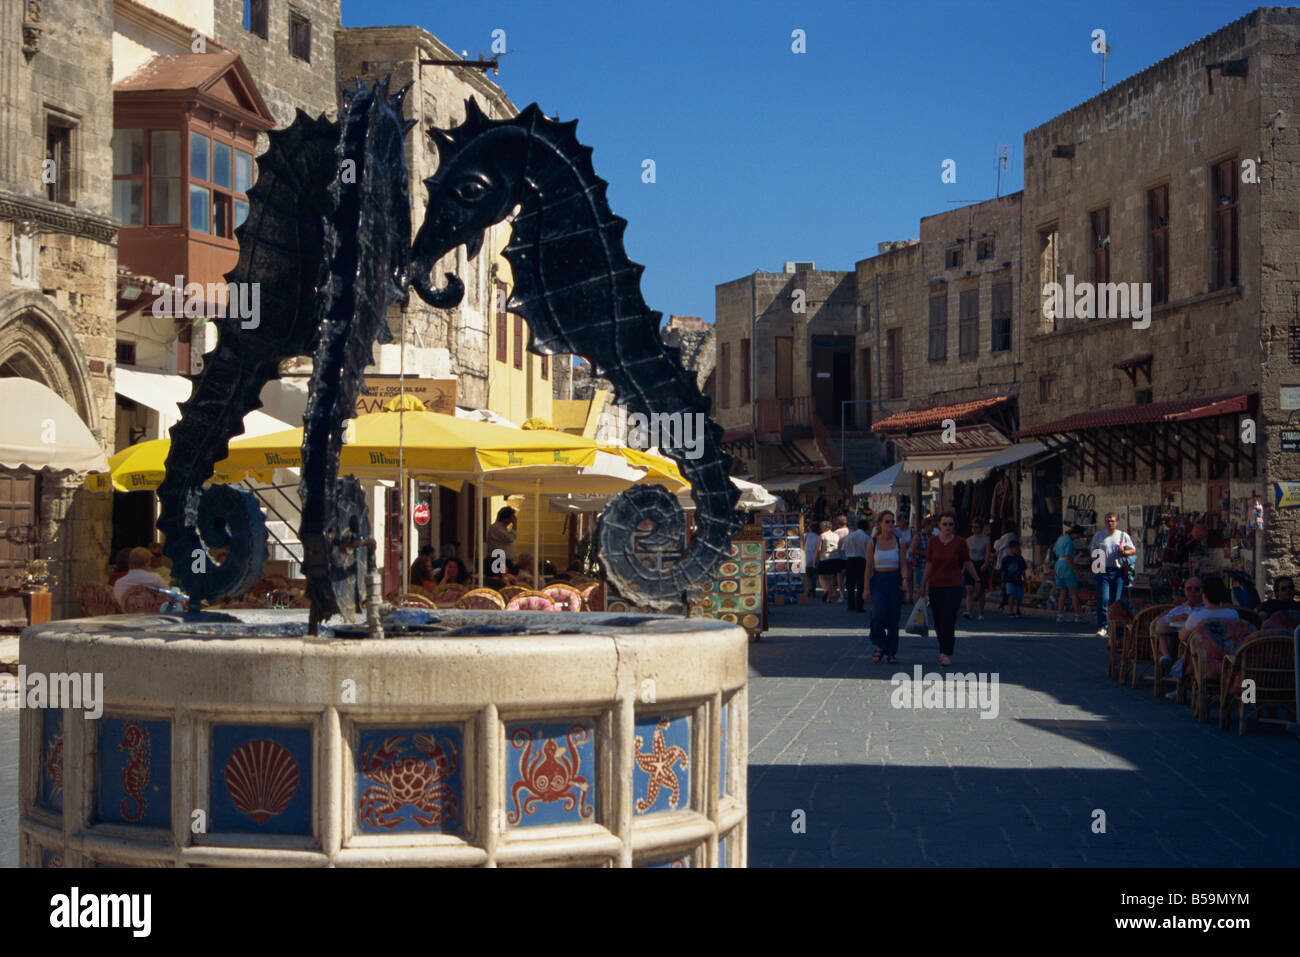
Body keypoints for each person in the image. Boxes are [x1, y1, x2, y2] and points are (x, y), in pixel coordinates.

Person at [920, 512, 979, 667]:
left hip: (954, 584)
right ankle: (942, 648)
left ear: (954, 526)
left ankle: (946, 653)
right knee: (938, 620)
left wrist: (977, 579)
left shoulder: (960, 542)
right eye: (944, 524)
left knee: (948, 617)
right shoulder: (933, 542)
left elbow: (967, 561)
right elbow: (929, 564)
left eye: (950, 524)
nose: (947, 527)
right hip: (935, 585)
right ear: (939, 525)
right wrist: (922, 584)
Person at [1165, 575, 1240, 679]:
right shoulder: (1233, 614)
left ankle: (1185, 686)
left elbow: (1182, 637)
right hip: (1229, 660)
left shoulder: (1197, 615)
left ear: (1203, 595)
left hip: (1203, 661)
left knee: (1188, 654)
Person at [864, 510, 910, 664]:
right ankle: (880, 643)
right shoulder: (873, 543)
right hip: (878, 580)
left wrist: (904, 579)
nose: (891, 524)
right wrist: (865, 588)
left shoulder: (899, 543)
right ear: (880, 524)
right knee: (878, 615)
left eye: (892, 521)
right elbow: (868, 568)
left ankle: (891, 652)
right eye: (887, 521)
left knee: (893, 618)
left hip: (894, 580)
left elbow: (903, 565)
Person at [1089, 512, 1137, 637]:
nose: (1110, 523)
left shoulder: (1122, 535)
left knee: (1116, 601)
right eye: (1108, 521)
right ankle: (1103, 627)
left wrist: (1124, 552)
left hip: (1118, 572)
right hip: (1103, 571)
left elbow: (1133, 550)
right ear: (1105, 522)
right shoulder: (1099, 535)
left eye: (1112, 521)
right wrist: (1095, 561)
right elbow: (1092, 550)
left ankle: (1114, 626)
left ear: (1116, 522)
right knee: (1103, 599)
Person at [1154, 577, 1204, 659]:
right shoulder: (1179, 609)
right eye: (1189, 589)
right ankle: (1167, 659)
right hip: (1175, 639)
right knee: (1164, 632)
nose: (1192, 591)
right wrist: (1174, 618)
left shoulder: (1206, 609)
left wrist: (1192, 620)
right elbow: (1160, 622)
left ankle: (1169, 662)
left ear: (1202, 592)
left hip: (1196, 641)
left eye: (1196, 589)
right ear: (1184, 591)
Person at [1053, 525, 1086, 623]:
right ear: (1075, 534)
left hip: (1058, 565)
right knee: (1073, 593)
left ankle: (1060, 615)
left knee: (1062, 592)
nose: (1078, 538)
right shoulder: (1069, 542)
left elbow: (1054, 550)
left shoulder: (1061, 538)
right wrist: (1077, 571)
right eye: (1079, 536)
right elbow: (1068, 557)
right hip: (1067, 566)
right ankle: (1077, 615)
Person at [964, 518, 991, 620]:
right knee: (969, 588)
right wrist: (964, 567)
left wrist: (985, 563)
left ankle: (981, 613)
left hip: (981, 563)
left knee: (980, 591)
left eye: (976, 527)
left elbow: (988, 553)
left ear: (981, 528)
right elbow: (966, 554)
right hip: (971, 563)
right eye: (972, 527)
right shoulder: (968, 540)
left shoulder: (986, 539)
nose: (974, 529)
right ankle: (968, 611)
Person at [841, 519, 870, 613]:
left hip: (850, 560)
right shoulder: (866, 537)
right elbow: (869, 551)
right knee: (861, 584)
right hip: (862, 560)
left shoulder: (849, 536)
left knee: (850, 584)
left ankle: (850, 605)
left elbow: (843, 549)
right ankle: (860, 606)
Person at [992, 520, 1019, 610]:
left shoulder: (1006, 537)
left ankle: (1005, 599)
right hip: (1012, 562)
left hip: (1004, 561)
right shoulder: (1015, 536)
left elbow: (996, 545)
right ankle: (1007, 599)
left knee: (1004, 581)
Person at [1000, 540, 1028, 617]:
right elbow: (1003, 571)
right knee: (1011, 594)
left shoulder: (1020, 558)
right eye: (1016, 548)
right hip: (1009, 580)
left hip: (1018, 579)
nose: (1017, 550)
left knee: (1019, 596)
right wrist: (1002, 581)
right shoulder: (1005, 559)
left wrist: (1025, 579)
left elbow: (1023, 570)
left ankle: (1018, 608)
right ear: (1011, 548)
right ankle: (1010, 610)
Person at [486, 506, 518, 573]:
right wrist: (514, 525)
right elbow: (510, 538)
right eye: (512, 518)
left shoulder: (503, 528)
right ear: (505, 518)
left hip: (504, 560)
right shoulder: (496, 528)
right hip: (498, 560)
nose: (513, 520)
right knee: (502, 580)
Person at [816, 520, 841, 602]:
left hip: (825, 557)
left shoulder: (822, 535)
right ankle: (829, 596)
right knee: (831, 577)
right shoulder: (836, 535)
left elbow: (819, 549)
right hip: (835, 557)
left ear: (824, 527)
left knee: (821, 576)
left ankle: (826, 590)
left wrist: (815, 558)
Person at [909, 514, 934, 595]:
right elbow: (913, 549)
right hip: (920, 563)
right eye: (932, 526)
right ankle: (920, 603)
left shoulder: (932, 536)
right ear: (926, 525)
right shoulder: (918, 535)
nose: (933, 528)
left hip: (929, 563)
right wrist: (925, 553)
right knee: (920, 584)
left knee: (929, 582)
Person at [833, 515, 851, 601]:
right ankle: (849, 592)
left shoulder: (836, 532)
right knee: (850, 575)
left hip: (839, 555)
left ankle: (841, 594)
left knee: (839, 575)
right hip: (850, 555)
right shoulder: (851, 531)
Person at [803, 524, 821, 599]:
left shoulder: (806, 535)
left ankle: (810, 588)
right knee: (814, 575)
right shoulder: (818, 537)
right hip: (815, 558)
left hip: (806, 557)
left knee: (807, 575)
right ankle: (813, 588)